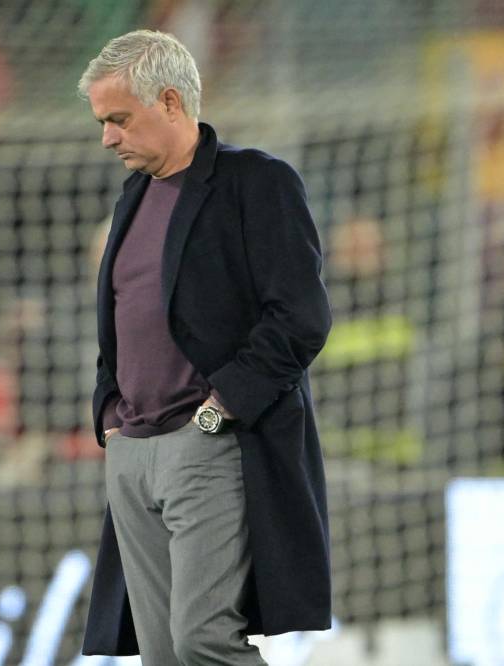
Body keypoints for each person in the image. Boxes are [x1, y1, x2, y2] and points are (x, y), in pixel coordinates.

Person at [77, 30, 332, 664]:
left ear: (169, 102)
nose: (108, 137)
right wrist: (110, 415)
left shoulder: (257, 183)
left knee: (203, 642)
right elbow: (123, 318)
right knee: (164, 655)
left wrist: (219, 410)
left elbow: (301, 317)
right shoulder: (132, 197)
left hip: (211, 446)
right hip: (134, 451)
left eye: (118, 119)